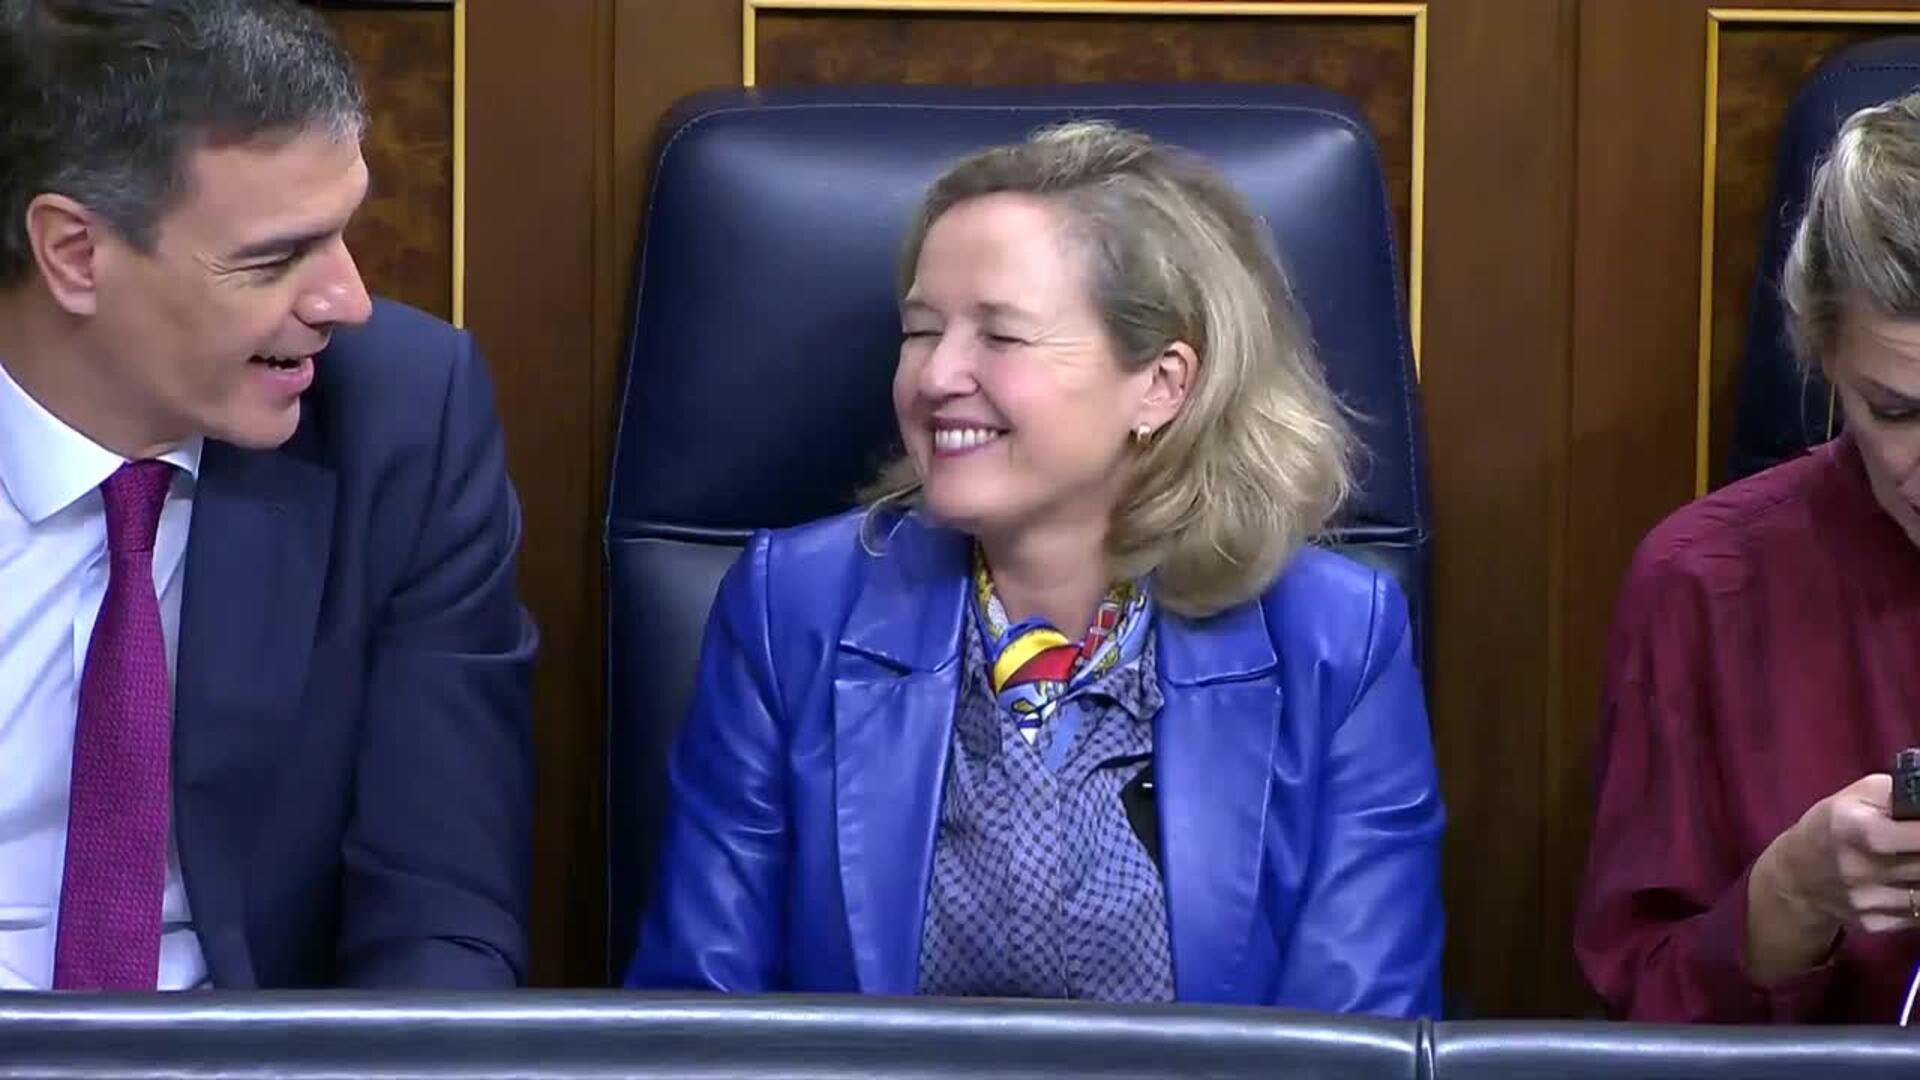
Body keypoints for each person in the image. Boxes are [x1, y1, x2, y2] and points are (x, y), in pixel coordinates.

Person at [624, 121, 1443, 1015]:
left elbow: (1357, 1042)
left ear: (1162, 385)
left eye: (1001, 337)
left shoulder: (1335, 640)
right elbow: (700, 1021)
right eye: (921, 331)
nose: (936, 376)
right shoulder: (791, 610)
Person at [0, 0, 534, 990]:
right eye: (275, 258)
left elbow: (439, 915)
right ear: (75, 253)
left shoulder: (400, 421)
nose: (347, 302)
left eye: (341, 235)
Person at [1577, 89, 1920, 1023]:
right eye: (1897, 412)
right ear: (1824, 358)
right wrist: (1795, 891)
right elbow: (1639, 1012)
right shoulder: (1705, 584)